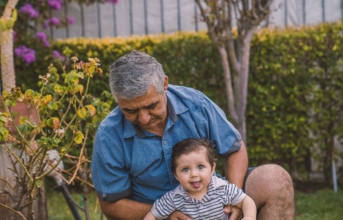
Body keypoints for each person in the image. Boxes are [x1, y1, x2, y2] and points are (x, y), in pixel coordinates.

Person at [91, 50, 295, 220]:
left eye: (151, 106)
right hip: (155, 213)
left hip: (216, 204)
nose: (144, 118)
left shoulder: (196, 104)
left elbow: (234, 148)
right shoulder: (109, 136)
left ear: (164, 84)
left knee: (274, 179)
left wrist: (233, 199)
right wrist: (167, 215)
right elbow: (111, 204)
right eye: (130, 111)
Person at [143, 138, 257, 220]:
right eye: (185, 169)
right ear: (176, 175)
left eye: (200, 167)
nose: (193, 174)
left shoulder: (223, 189)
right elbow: (153, 214)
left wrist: (249, 216)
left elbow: (246, 200)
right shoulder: (174, 198)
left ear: (212, 168)